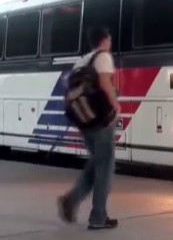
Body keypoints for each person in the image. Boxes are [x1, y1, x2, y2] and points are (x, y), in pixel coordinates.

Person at [57, 26, 120, 230]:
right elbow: (104, 82)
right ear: (105, 40)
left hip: (85, 123)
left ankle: (71, 200)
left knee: (95, 166)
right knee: (104, 169)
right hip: (101, 122)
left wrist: (79, 122)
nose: (110, 43)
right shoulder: (103, 57)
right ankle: (98, 217)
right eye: (109, 39)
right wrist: (115, 105)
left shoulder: (82, 60)